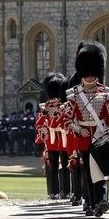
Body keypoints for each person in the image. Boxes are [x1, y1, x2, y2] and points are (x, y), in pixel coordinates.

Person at [63, 41, 109, 217]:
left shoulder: (106, 94)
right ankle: (91, 201)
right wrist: (79, 129)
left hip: (100, 136)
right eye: (86, 75)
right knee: (88, 171)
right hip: (84, 137)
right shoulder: (74, 96)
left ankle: (101, 200)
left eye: (92, 74)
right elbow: (67, 120)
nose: (89, 78)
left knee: (100, 169)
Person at [39, 72, 69, 200]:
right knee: (53, 167)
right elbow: (40, 122)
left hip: (63, 138)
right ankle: (54, 191)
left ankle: (67, 190)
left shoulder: (64, 106)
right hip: (52, 139)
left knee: (67, 165)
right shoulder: (46, 107)